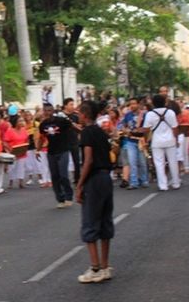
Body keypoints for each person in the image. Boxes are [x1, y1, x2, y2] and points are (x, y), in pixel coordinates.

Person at [75, 100, 114, 284]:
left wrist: (80, 184)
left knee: (90, 222)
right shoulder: (100, 131)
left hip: (95, 179)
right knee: (105, 222)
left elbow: (88, 160)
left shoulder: (87, 133)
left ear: (84, 114)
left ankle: (95, 267)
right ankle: (105, 266)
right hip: (106, 177)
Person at [142, 94, 180, 191]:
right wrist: (176, 139)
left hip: (157, 141)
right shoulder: (170, 112)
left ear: (153, 104)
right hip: (170, 140)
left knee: (159, 163)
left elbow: (146, 129)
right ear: (164, 102)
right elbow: (175, 128)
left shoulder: (150, 114)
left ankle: (163, 185)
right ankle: (176, 183)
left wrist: (146, 140)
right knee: (173, 162)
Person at [38, 104, 74, 208]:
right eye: (45, 111)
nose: (47, 113)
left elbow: (71, 126)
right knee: (55, 176)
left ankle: (69, 196)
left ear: (53, 111)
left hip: (63, 150)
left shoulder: (61, 121)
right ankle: (60, 198)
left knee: (63, 175)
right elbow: (41, 138)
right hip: (51, 152)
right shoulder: (43, 124)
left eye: (49, 110)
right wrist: (38, 150)